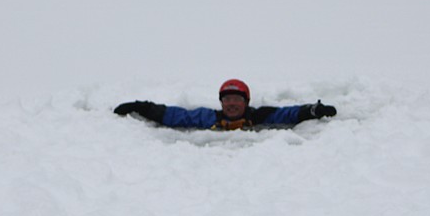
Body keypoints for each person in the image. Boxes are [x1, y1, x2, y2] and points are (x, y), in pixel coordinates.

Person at [113, 78, 337, 130]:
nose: (231, 104)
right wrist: (140, 106)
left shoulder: (259, 116)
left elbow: (287, 114)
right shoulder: (209, 118)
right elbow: (175, 115)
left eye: (237, 99)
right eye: (227, 99)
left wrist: (312, 110)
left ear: (246, 102)